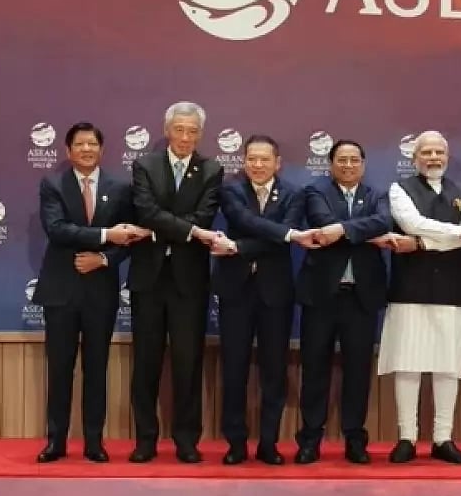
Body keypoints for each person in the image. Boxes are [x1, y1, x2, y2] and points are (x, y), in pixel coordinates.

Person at [377, 130, 461, 464]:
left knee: (447, 365)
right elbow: (411, 223)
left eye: (440, 152)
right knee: (407, 363)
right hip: (409, 287)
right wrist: (460, 233)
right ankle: (406, 436)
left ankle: (443, 438)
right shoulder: (400, 189)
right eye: (427, 152)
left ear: (448, 157)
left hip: (453, 288)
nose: (434, 158)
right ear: (415, 157)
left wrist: (425, 242)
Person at [33, 122, 148, 463]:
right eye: (79, 144)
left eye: (92, 144)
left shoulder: (120, 187)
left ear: (101, 149)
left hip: (101, 290)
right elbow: (57, 230)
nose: (86, 149)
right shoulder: (53, 183)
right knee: (60, 368)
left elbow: (129, 238)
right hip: (60, 290)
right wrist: (104, 236)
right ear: (68, 151)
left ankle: (94, 442)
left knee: (96, 368)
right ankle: (56, 441)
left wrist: (102, 257)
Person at [128, 101, 224, 463]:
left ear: (200, 134)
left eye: (193, 131)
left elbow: (205, 213)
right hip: (148, 278)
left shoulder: (212, 169)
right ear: (167, 130)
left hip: (190, 280)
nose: (185, 137)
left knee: (188, 362)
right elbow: (145, 211)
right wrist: (190, 230)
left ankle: (186, 439)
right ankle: (146, 439)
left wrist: (168, 229)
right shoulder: (144, 165)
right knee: (146, 362)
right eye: (179, 129)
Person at [210, 134, 315, 465]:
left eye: (264, 159)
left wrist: (239, 247)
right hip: (235, 290)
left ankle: (268, 443)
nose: (257, 165)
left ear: (277, 162)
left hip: (276, 292)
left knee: (273, 369)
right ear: (244, 161)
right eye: (251, 159)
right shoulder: (230, 190)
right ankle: (236, 444)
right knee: (234, 367)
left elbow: (282, 240)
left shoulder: (294, 194)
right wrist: (283, 234)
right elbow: (244, 222)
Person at [295, 139, 400, 464]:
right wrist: (362, 234)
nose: (349, 165)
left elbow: (383, 221)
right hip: (321, 295)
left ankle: (355, 438)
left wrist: (341, 230)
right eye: (342, 160)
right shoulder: (315, 192)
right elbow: (321, 222)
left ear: (363, 165)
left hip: (362, 297)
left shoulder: (377, 195)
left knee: (358, 371)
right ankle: (310, 439)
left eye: (355, 160)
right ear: (331, 164)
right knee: (314, 368)